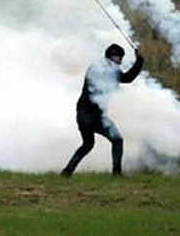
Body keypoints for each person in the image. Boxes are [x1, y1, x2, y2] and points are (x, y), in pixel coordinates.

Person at [61, 44, 144, 177]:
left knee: (87, 144)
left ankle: (67, 171)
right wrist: (139, 61)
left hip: (82, 114)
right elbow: (127, 78)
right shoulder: (110, 70)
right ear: (115, 57)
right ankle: (116, 173)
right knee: (117, 140)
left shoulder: (94, 67)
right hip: (95, 117)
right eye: (120, 58)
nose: (121, 62)